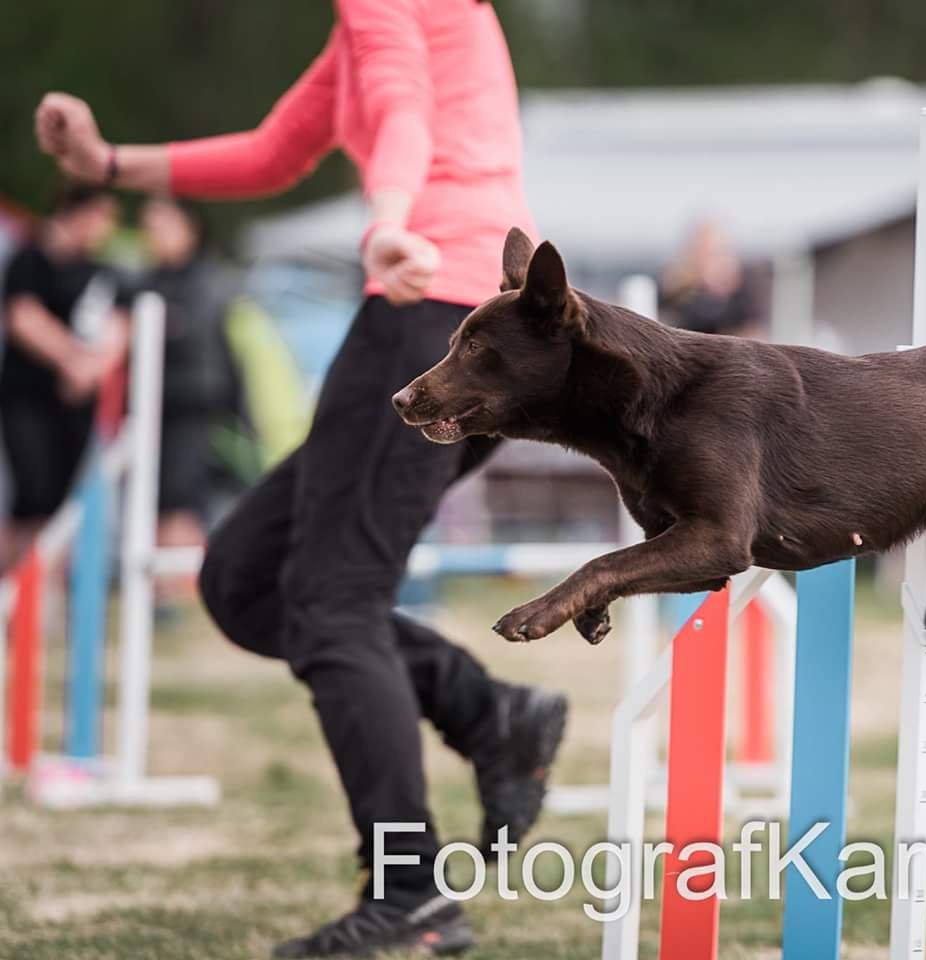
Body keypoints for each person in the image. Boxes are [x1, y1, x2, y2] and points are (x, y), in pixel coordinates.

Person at [34, 1, 567, 955]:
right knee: (242, 581)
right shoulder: (377, 27)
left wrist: (389, 222)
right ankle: (489, 712)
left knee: (332, 602)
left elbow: (403, 107)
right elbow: (274, 151)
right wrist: (106, 163)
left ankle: (411, 892)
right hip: (475, 318)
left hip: (431, 308)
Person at [1, 184, 126, 570]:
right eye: (103, 217)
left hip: (77, 404)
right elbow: (23, 318)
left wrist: (92, 368)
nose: (107, 228)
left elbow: (121, 325)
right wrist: (71, 361)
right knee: (32, 497)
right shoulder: (30, 260)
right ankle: (15, 585)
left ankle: (42, 589)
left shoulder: (102, 271)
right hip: (28, 397)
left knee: (61, 501)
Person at [140, 196, 244, 596]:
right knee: (161, 504)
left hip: (196, 410)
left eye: (162, 225)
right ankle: (166, 592)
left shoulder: (210, 281)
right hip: (154, 412)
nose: (154, 235)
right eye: (150, 227)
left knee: (182, 504)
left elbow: (204, 350)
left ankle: (180, 593)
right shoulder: (148, 280)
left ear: (189, 228)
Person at [660, 220, 759, 336]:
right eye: (713, 254)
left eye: (726, 253)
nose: (723, 262)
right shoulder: (677, 298)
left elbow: (753, 334)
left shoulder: (744, 300)